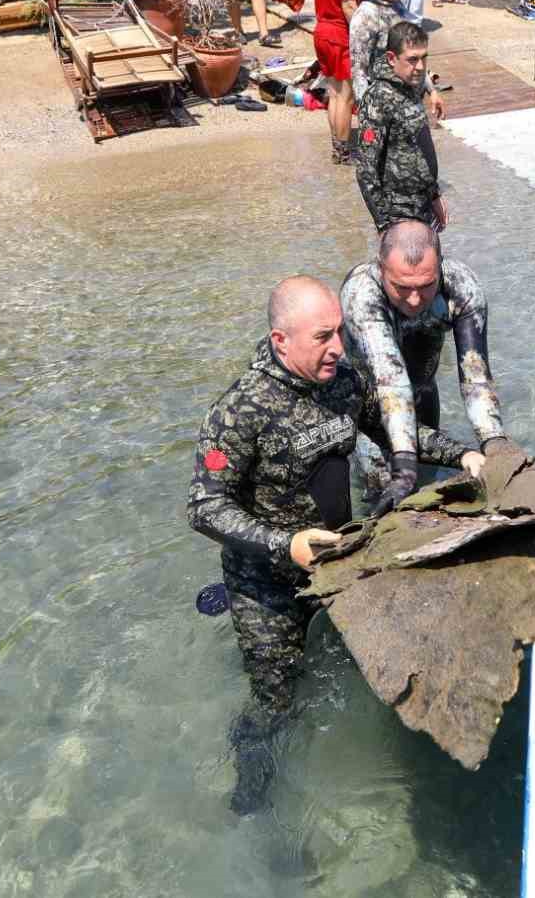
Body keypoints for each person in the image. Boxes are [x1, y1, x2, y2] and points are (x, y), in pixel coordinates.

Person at [189, 276, 482, 815]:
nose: (339, 348)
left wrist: (463, 454)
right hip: (267, 581)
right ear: (282, 341)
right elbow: (203, 507)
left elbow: (399, 431)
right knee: (276, 702)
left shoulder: (342, 381)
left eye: (341, 333)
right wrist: (284, 543)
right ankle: (251, 798)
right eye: (323, 336)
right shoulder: (238, 412)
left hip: (339, 557)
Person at [341, 220, 518, 505]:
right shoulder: (362, 294)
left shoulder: (461, 286)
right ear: (380, 267)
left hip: (424, 392)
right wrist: (404, 465)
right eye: (402, 287)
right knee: (383, 495)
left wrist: (494, 440)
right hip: (371, 414)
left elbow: (475, 375)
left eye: (426, 286)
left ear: (440, 267)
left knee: (431, 486)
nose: (414, 300)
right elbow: (390, 382)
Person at [354, 21, 447, 233]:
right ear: (391, 59)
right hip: (398, 213)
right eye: (413, 60)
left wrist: (434, 195)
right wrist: (385, 225)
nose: (421, 67)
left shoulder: (410, 85)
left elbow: (419, 149)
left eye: (424, 57)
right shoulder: (377, 98)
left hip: (422, 205)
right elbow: (365, 170)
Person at [349, 0, 446, 120]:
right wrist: (369, 118)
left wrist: (432, 91)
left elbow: (415, 58)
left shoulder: (398, 6)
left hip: (411, 108)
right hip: (384, 112)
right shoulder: (365, 17)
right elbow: (359, 72)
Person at [310, 0, 360, 165]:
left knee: (333, 92)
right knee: (345, 96)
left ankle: (337, 146)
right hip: (339, 34)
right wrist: (365, 34)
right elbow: (349, 5)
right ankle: (342, 152)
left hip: (321, 32)